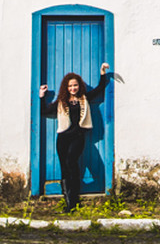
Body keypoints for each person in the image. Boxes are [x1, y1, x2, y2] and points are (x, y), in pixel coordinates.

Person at [39, 62, 111, 211]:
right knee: (65, 168)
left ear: (79, 86)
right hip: (62, 138)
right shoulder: (61, 102)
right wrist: (41, 96)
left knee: (71, 162)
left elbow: (99, 88)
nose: (73, 88)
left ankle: (74, 198)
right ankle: (69, 202)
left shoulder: (84, 98)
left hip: (78, 136)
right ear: (66, 87)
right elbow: (44, 111)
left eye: (75, 85)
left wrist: (102, 72)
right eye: (70, 86)